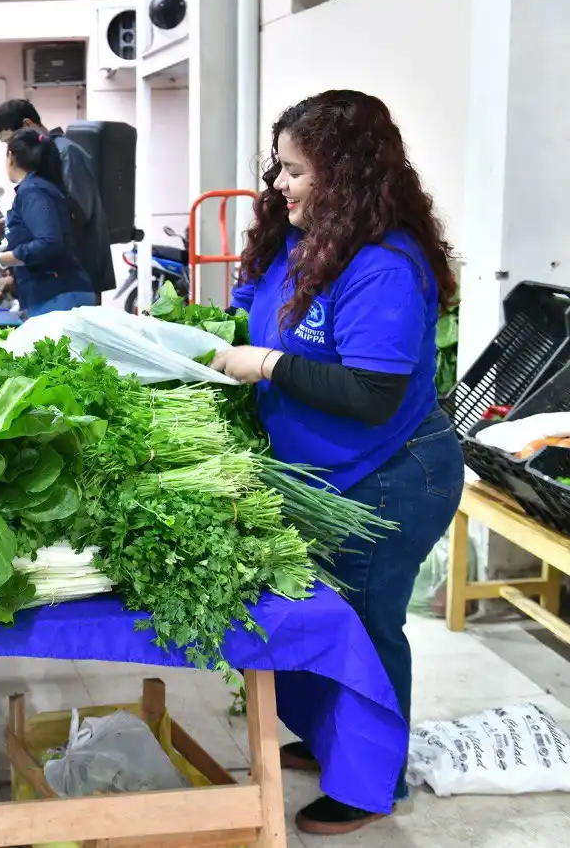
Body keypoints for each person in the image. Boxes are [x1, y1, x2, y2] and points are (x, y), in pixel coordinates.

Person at [211, 90, 465, 835]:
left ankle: (372, 782)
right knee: (322, 620)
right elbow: (254, 311)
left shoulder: (383, 263)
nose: (278, 184)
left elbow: (372, 391)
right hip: (324, 480)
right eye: (278, 168)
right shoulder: (305, 240)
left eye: (295, 170)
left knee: (364, 624)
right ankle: (333, 744)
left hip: (389, 478)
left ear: (346, 173)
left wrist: (264, 364)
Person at [0, 99, 114, 301]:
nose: (11, 151)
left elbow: (75, 213)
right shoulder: (46, 159)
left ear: (28, 125)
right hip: (55, 277)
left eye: (11, 140)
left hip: (73, 276)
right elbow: (52, 211)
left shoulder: (65, 152)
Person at [0, 128, 95, 317]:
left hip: (57, 296)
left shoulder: (32, 191)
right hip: (61, 292)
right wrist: (14, 279)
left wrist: (3, 258)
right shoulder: (41, 188)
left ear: (10, 156)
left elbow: (49, 242)